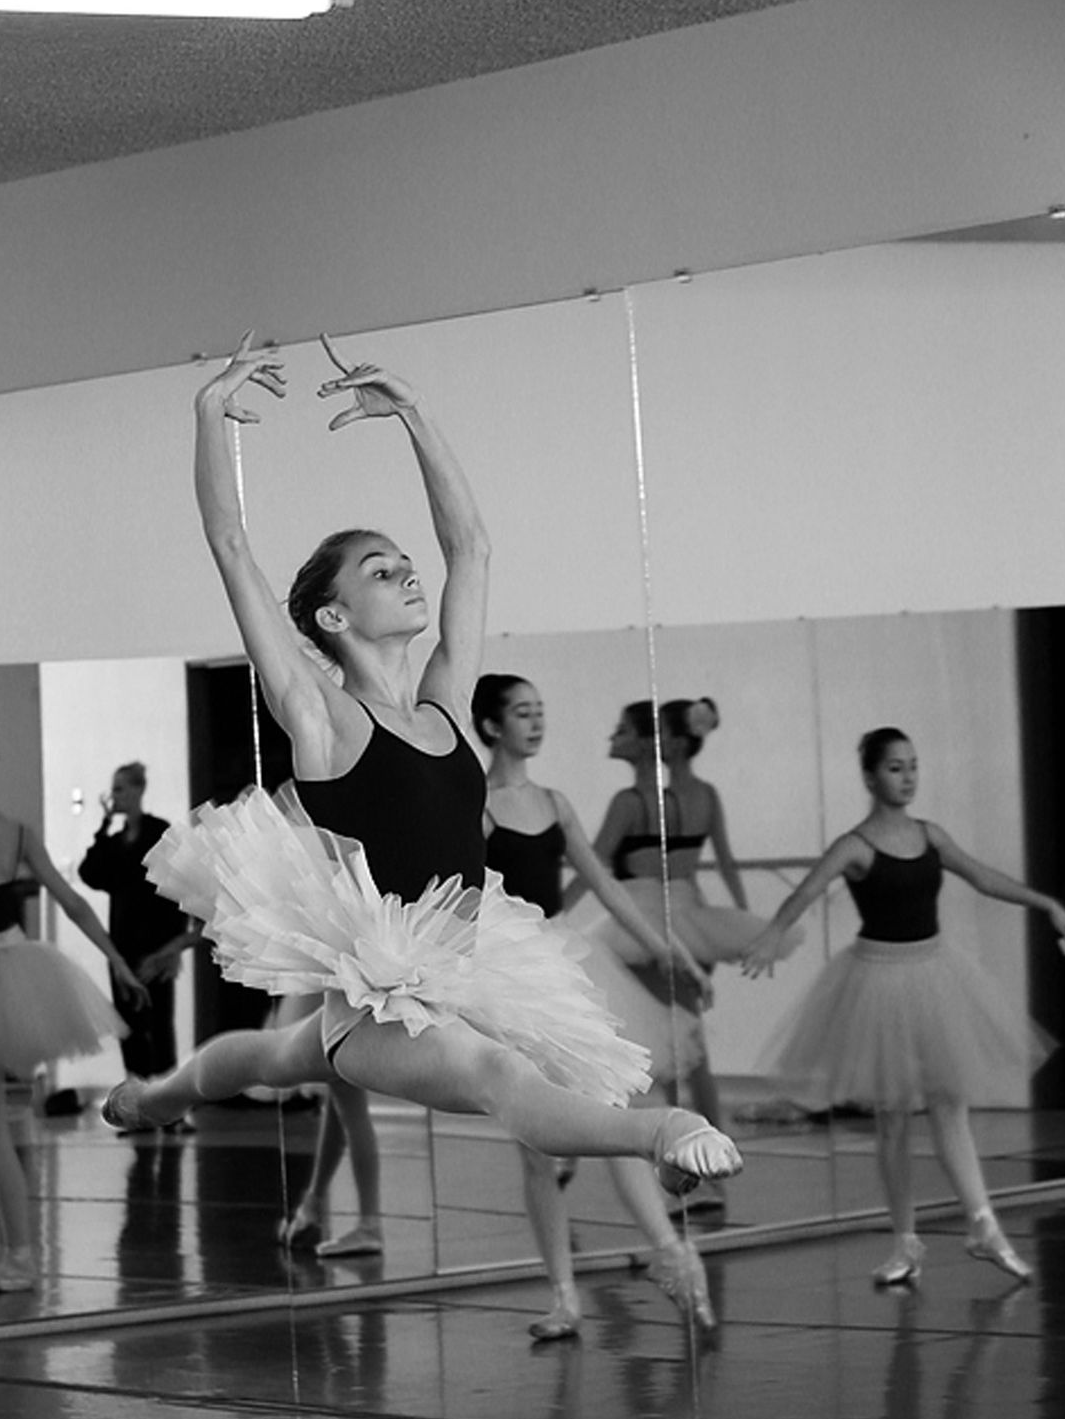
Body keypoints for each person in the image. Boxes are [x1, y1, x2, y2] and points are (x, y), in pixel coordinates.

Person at [101, 333, 741, 1328]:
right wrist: (207, 419)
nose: (406, 576)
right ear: (329, 616)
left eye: (404, 564)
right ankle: (667, 1131)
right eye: (380, 570)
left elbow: (471, 547)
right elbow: (232, 548)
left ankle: (151, 1097)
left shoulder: (446, 708)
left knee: (267, 1062)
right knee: (490, 1074)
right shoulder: (323, 720)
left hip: (465, 962)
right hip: (381, 1000)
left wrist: (417, 416)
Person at [741, 726, 1065, 1288]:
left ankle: (984, 1224)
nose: (908, 777)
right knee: (893, 1118)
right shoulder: (855, 846)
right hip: (877, 981)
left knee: (951, 1105)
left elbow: (982, 877)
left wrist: (1045, 903)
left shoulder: (930, 835)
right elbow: (804, 893)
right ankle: (905, 1240)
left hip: (935, 974)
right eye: (896, 768)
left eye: (914, 766)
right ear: (871, 776)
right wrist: (772, 935)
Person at [474, 671, 714, 1339]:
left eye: (539, 710)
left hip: (563, 968)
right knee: (536, 1146)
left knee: (614, 1112)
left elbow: (605, 885)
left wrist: (675, 953)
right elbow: (461, 894)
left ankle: (670, 1252)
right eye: (523, 712)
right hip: (507, 973)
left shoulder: (553, 801)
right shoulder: (481, 806)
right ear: (493, 725)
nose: (536, 721)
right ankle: (565, 1295)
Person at [0, 716, 147, 1292]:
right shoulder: (17, 832)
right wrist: (117, 960)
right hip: (15, 971)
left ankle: (20, 1256)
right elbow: (72, 902)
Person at [574, 697, 797, 1213]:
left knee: (670, 1051)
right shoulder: (696, 797)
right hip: (695, 915)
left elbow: (596, 869)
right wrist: (744, 925)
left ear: (662, 742)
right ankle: (710, 1167)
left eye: (623, 730)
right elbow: (720, 860)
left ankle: (681, 1168)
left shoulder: (635, 801)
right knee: (690, 1048)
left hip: (645, 920)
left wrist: (549, 916)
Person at [78, 761, 196, 1080]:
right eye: (113, 789)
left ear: (138, 789)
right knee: (128, 1022)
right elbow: (89, 873)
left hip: (156, 942)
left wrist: (174, 945)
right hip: (123, 943)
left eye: (120, 788)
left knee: (159, 1021)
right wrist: (103, 824)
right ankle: (138, 1100)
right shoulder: (115, 842)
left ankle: (170, 1105)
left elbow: (180, 885)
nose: (115, 795)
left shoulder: (159, 833)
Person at [274, 992, 383, 1260]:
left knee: (350, 1107)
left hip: (346, 999)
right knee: (340, 1104)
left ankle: (369, 1223)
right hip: (354, 995)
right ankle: (312, 1206)